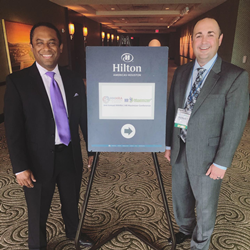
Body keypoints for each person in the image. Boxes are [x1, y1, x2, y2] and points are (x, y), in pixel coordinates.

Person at [4, 22, 94, 250]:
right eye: (40, 42)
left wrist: (92, 149)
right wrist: (19, 166)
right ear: (32, 47)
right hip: (36, 160)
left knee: (71, 201)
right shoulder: (18, 82)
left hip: (69, 153)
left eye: (52, 42)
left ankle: (74, 232)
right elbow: (13, 129)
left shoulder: (73, 79)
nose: (46, 47)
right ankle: (38, 245)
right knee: (37, 209)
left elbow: (84, 117)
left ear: (60, 47)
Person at [165, 17, 249, 250]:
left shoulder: (235, 76)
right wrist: (169, 144)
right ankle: (185, 230)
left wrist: (222, 162)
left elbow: (235, 123)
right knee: (180, 198)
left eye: (210, 34)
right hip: (180, 147)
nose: (204, 41)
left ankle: (200, 244)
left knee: (204, 204)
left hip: (208, 155)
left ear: (220, 39)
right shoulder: (182, 72)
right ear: (192, 40)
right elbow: (173, 109)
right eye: (198, 35)